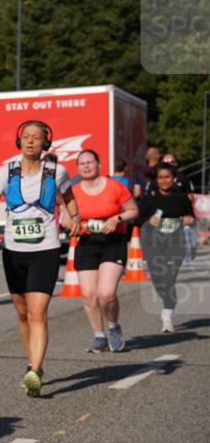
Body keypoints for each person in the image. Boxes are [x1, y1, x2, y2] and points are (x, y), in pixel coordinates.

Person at [0, 120, 82, 397]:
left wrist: (75, 217)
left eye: (36, 138)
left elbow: (70, 200)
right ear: (19, 141)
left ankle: (34, 371)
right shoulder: (6, 171)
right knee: (23, 313)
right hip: (14, 252)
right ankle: (31, 361)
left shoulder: (57, 171)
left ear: (45, 143)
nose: (30, 142)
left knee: (38, 313)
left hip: (45, 251)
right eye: (26, 137)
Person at [67, 150, 138, 353]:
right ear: (78, 168)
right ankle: (99, 336)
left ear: (99, 165)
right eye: (82, 163)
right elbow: (65, 219)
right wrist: (74, 224)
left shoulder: (115, 187)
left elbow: (133, 210)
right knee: (89, 295)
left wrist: (117, 218)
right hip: (87, 243)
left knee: (106, 294)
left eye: (90, 162)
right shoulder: (74, 192)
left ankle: (114, 326)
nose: (86, 166)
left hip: (112, 242)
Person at [138, 163, 195, 333]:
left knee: (169, 278)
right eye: (161, 177)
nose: (164, 181)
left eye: (167, 177)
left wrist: (189, 220)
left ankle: (167, 316)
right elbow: (137, 220)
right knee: (159, 282)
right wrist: (148, 222)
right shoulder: (149, 199)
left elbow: (192, 218)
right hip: (153, 245)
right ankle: (168, 301)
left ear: (173, 178)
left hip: (175, 244)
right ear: (156, 179)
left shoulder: (182, 198)